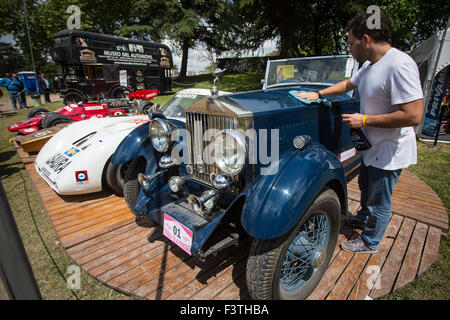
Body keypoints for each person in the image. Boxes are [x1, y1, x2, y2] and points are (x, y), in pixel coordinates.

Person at [296, 13, 423, 254]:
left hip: (388, 150)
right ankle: (364, 218)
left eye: (351, 43)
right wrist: (319, 94)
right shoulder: (369, 65)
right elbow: (347, 85)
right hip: (369, 145)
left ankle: (370, 241)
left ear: (365, 39)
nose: (350, 49)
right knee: (366, 186)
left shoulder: (400, 65)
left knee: (379, 199)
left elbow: (414, 115)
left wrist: (364, 119)